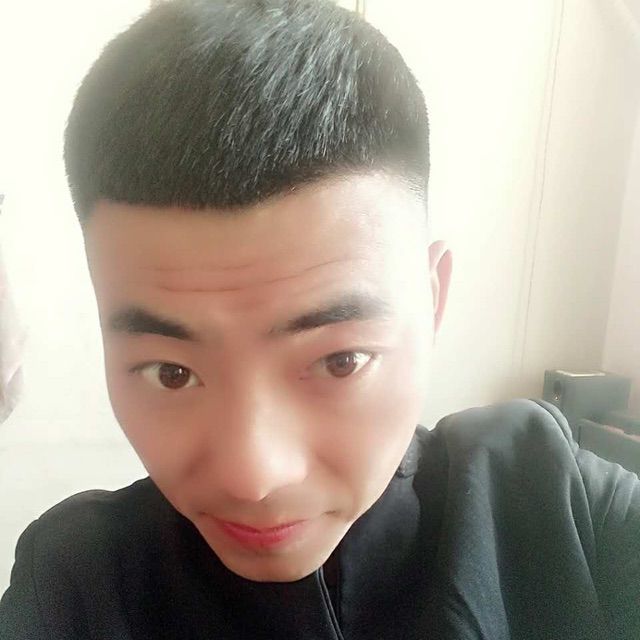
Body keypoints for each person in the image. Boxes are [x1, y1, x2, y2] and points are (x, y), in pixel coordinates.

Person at [1, 1, 638, 638]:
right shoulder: (73, 588)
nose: (254, 477)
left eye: (340, 361)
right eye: (171, 372)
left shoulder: (564, 509)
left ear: (433, 299)